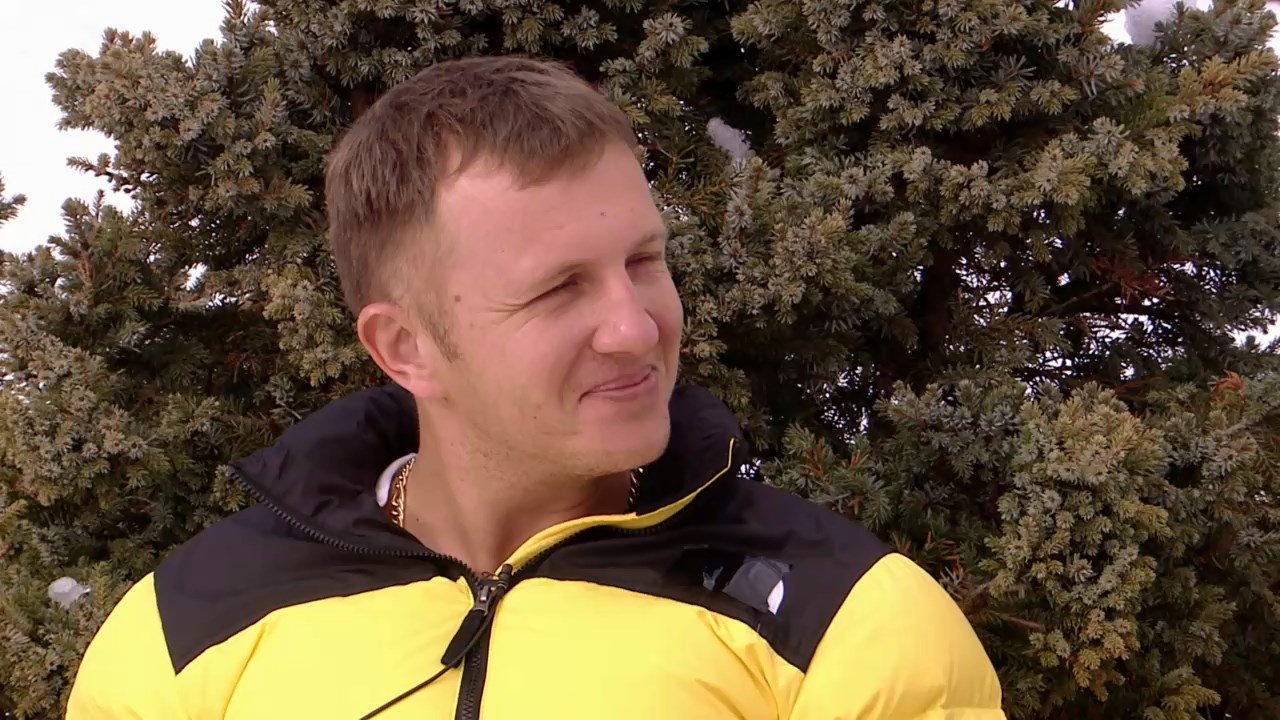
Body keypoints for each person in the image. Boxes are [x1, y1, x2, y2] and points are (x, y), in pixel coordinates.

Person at [67, 55, 1006, 719]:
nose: (636, 327)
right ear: (406, 347)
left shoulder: (843, 623)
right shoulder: (186, 629)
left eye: (643, 261)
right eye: (558, 289)